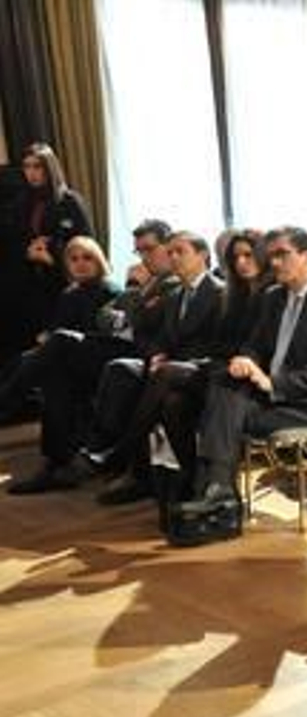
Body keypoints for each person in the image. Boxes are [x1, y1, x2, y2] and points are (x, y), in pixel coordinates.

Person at [171, 227, 307, 545]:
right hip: (274, 395)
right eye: (271, 256)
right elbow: (254, 344)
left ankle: (219, 496)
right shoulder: (273, 298)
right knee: (222, 383)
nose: (274, 262)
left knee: (223, 410)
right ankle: (220, 494)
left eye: (282, 254)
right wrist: (246, 361)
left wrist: (273, 382)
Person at [4, 220, 178, 494]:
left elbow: (144, 326)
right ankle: (57, 462)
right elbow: (107, 318)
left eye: (149, 249)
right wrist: (134, 297)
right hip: (114, 346)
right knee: (54, 370)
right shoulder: (144, 284)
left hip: (141, 355)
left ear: (169, 247)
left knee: (60, 341)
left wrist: (133, 299)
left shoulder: (174, 281)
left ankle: (6, 403)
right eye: (139, 251)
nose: (144, 257)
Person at [87, 230, 227, 504]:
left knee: (163, 379)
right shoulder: (175, 295)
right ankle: (174, 477)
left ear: (202, 255)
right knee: (134, 376)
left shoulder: (221, 292)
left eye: (181, 251)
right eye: (170, 252)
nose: (173, 257)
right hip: (172, 375)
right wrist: (158, 354)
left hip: (205, 371)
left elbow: (222, 347)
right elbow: (159, 338)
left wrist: (170, 364)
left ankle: (121, 452)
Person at [0, 235, 118, 425]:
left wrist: (53, 339)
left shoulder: (110, 291)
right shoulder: (69, 294)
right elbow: (58, 327)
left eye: (87, 258)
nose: (80, 263)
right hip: (67, 350)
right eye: (74, 259)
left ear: (99, 261)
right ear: (67, 264)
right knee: (21, 359)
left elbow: (104, 332)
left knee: (44, 354)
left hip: (98, 352)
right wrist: (46, 336)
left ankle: (4, 404)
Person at [13, 143, 95, 357]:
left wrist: (53, 254)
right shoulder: (22, 203)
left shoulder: (70, 201)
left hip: (66, 280)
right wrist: (28, 251)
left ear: (49, 168)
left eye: (37, 166)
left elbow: (87, 244)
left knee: (64, 340)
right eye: (27, 167)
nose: (31, 173)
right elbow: (15, 240)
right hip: (34, 281)